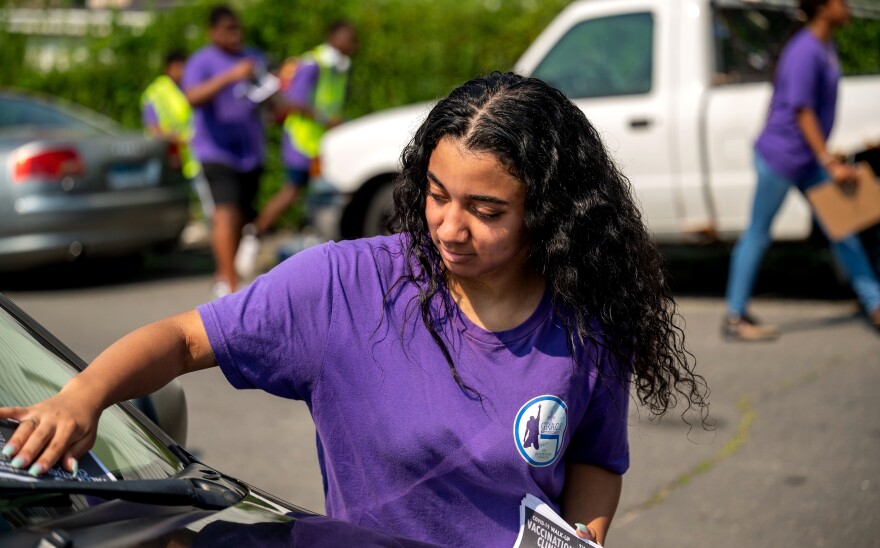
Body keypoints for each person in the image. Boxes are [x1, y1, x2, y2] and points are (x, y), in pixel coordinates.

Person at [0, 72, 709, 547]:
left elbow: (594, 458)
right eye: (437, 194)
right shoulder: (344, 285)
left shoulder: (588, 322)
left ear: (550, 214)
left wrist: (584, 535)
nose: (450, 227)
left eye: (486, 210)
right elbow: (184, 340)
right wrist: (83, 397)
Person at [723, 0, 880, 341]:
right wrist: (829, 161)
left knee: (843, 231)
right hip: (782, 158)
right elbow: (802, 110)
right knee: (758, 233)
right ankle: (735, 317)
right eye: (841, 1)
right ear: (823, 8)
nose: (848, 6)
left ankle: (875, 304)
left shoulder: (825, 44)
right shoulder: (805, 50)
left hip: (807, 159)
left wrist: (821, 157)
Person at [235, 20, 358, 279]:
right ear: (334, 38)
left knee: (317, 194)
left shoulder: (338, 67)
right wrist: (326, 119)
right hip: (301, 140)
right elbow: (292, 103)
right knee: (292, 190)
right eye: (349, 39)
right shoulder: (312, 64)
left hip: (321, 142)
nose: (353, 45)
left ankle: (312, 249)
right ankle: (253, 236)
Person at [183, 5, 270, 298]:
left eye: (238, 28)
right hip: (216, 150)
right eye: (227, 29)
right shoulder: (202, 61)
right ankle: (230, 286)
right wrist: (230, 76)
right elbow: (192, 97)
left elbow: (267, 97)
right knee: (226, 214)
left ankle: (226, 273)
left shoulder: (254, 56)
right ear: (213, 32)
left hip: (249, 152)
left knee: (243, 217)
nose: (235, 35)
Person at [141, 50, 214, 221]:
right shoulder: (156, 93)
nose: (184, 70)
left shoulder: (188, 87)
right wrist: (180, 139)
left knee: (208, 204)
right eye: (180, 66)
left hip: (193, 156)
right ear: (169, 68)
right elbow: (153, 129)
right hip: (171, 156)